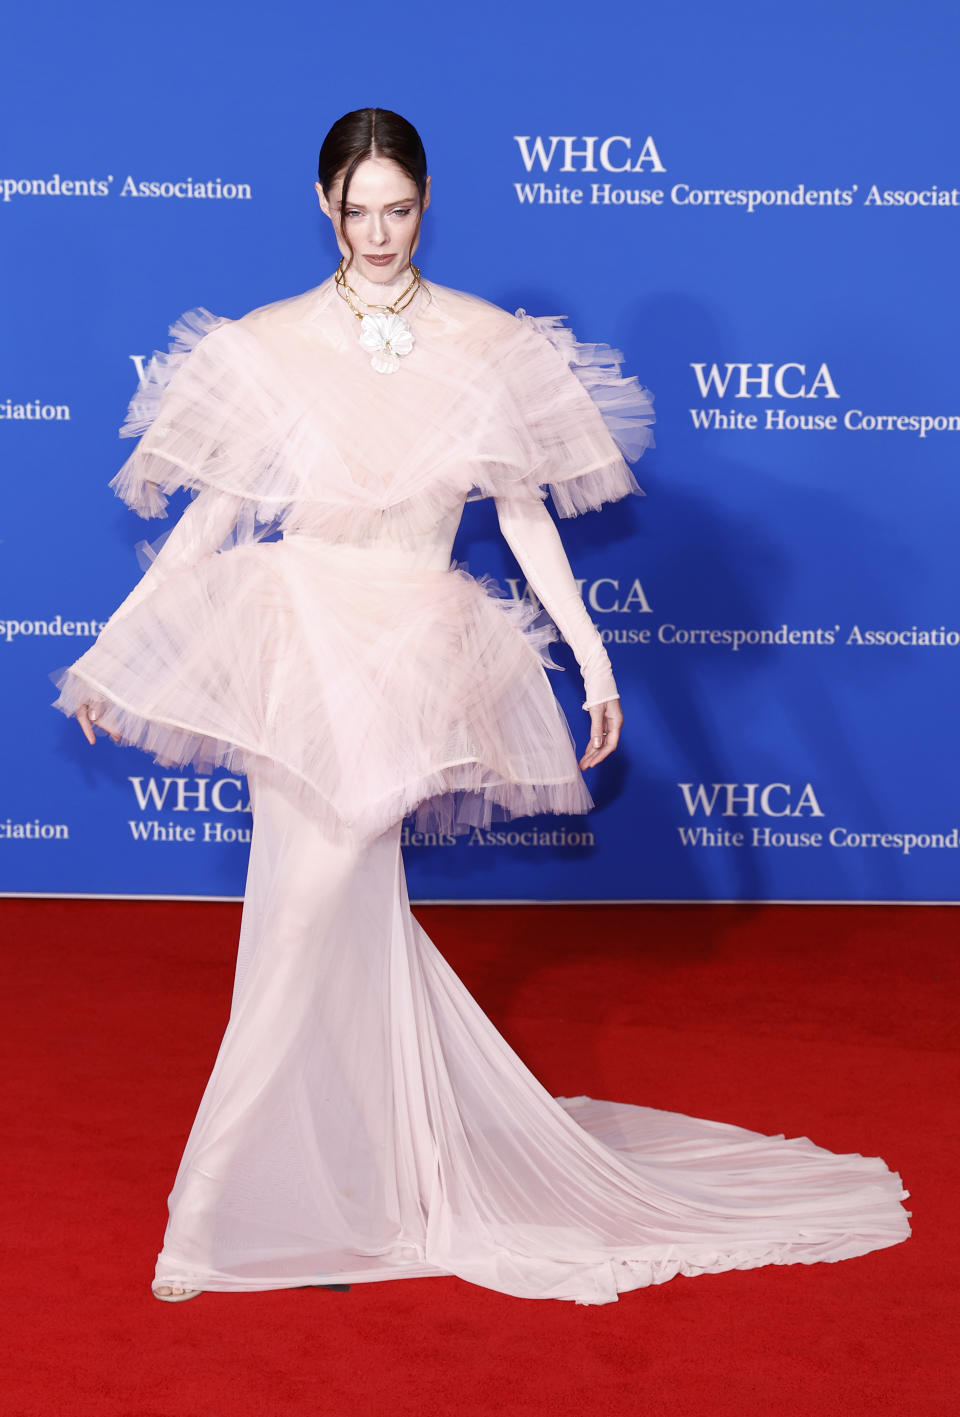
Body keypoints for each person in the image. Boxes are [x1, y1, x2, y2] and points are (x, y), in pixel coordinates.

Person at [52, 108, 910, 1306]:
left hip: (407, 646)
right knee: (305, 903)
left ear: (428, 199)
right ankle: (325, 1174)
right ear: (322, 205)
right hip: (296, 638)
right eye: (357, 210)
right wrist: (110, 652)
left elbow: (523, 519)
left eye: (398, 208)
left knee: (316, 905)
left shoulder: (489, 343)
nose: (379, 232)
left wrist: (596, 665)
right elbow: (210, 521)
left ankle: (228, 1203)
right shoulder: (268, 342)